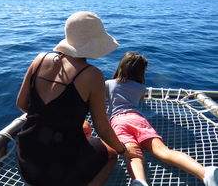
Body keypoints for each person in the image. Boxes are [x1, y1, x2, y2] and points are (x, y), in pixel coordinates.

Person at [16, 11, 143, 186]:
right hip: (57, 169)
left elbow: (22, 103)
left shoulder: (39, 59)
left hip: (26, 158)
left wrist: (58, 122)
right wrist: (124, 149)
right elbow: (102, 128)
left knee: (84, 131)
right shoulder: (92, 75)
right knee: (111, 154)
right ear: (94, 44)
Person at [106, 51, 218, 186]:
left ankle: (140, 182)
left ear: (121, 66)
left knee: (133, 155)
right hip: (137, 119)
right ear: (141, 71)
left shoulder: (109, 83)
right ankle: (205, 173)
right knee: (163, 151)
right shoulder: (141, 87)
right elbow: (139, 99)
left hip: (118, 121)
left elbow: (101, 99)